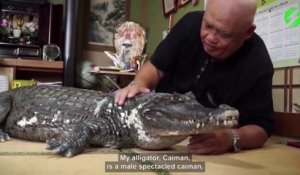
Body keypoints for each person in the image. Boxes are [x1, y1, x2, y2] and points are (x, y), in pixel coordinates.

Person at [114, 0, 274, 155]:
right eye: (208, 25)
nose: (210, 38)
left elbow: (262, 127)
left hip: (207, 136)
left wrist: (231, 138)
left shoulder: (258, 61)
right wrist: (138, 83)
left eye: (224, 33)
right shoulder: (190, 23)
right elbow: (156, 67)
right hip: (160, 123)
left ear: (247, 32)